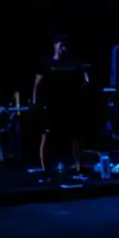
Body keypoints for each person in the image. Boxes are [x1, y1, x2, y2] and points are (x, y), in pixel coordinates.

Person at [33, 35, 90, 184]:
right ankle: (45, 171)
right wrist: (35, 102)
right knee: (46, 138)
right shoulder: (46, 63)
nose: (64, 47)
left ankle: (79, 169)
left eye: (66, 45)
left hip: (69, 106)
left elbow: (85, 80)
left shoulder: (73, 63)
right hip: (50, 106)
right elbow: (37, 84)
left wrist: (84, 86)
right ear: (55, 45)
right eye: (61, 44)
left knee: (76, 139)